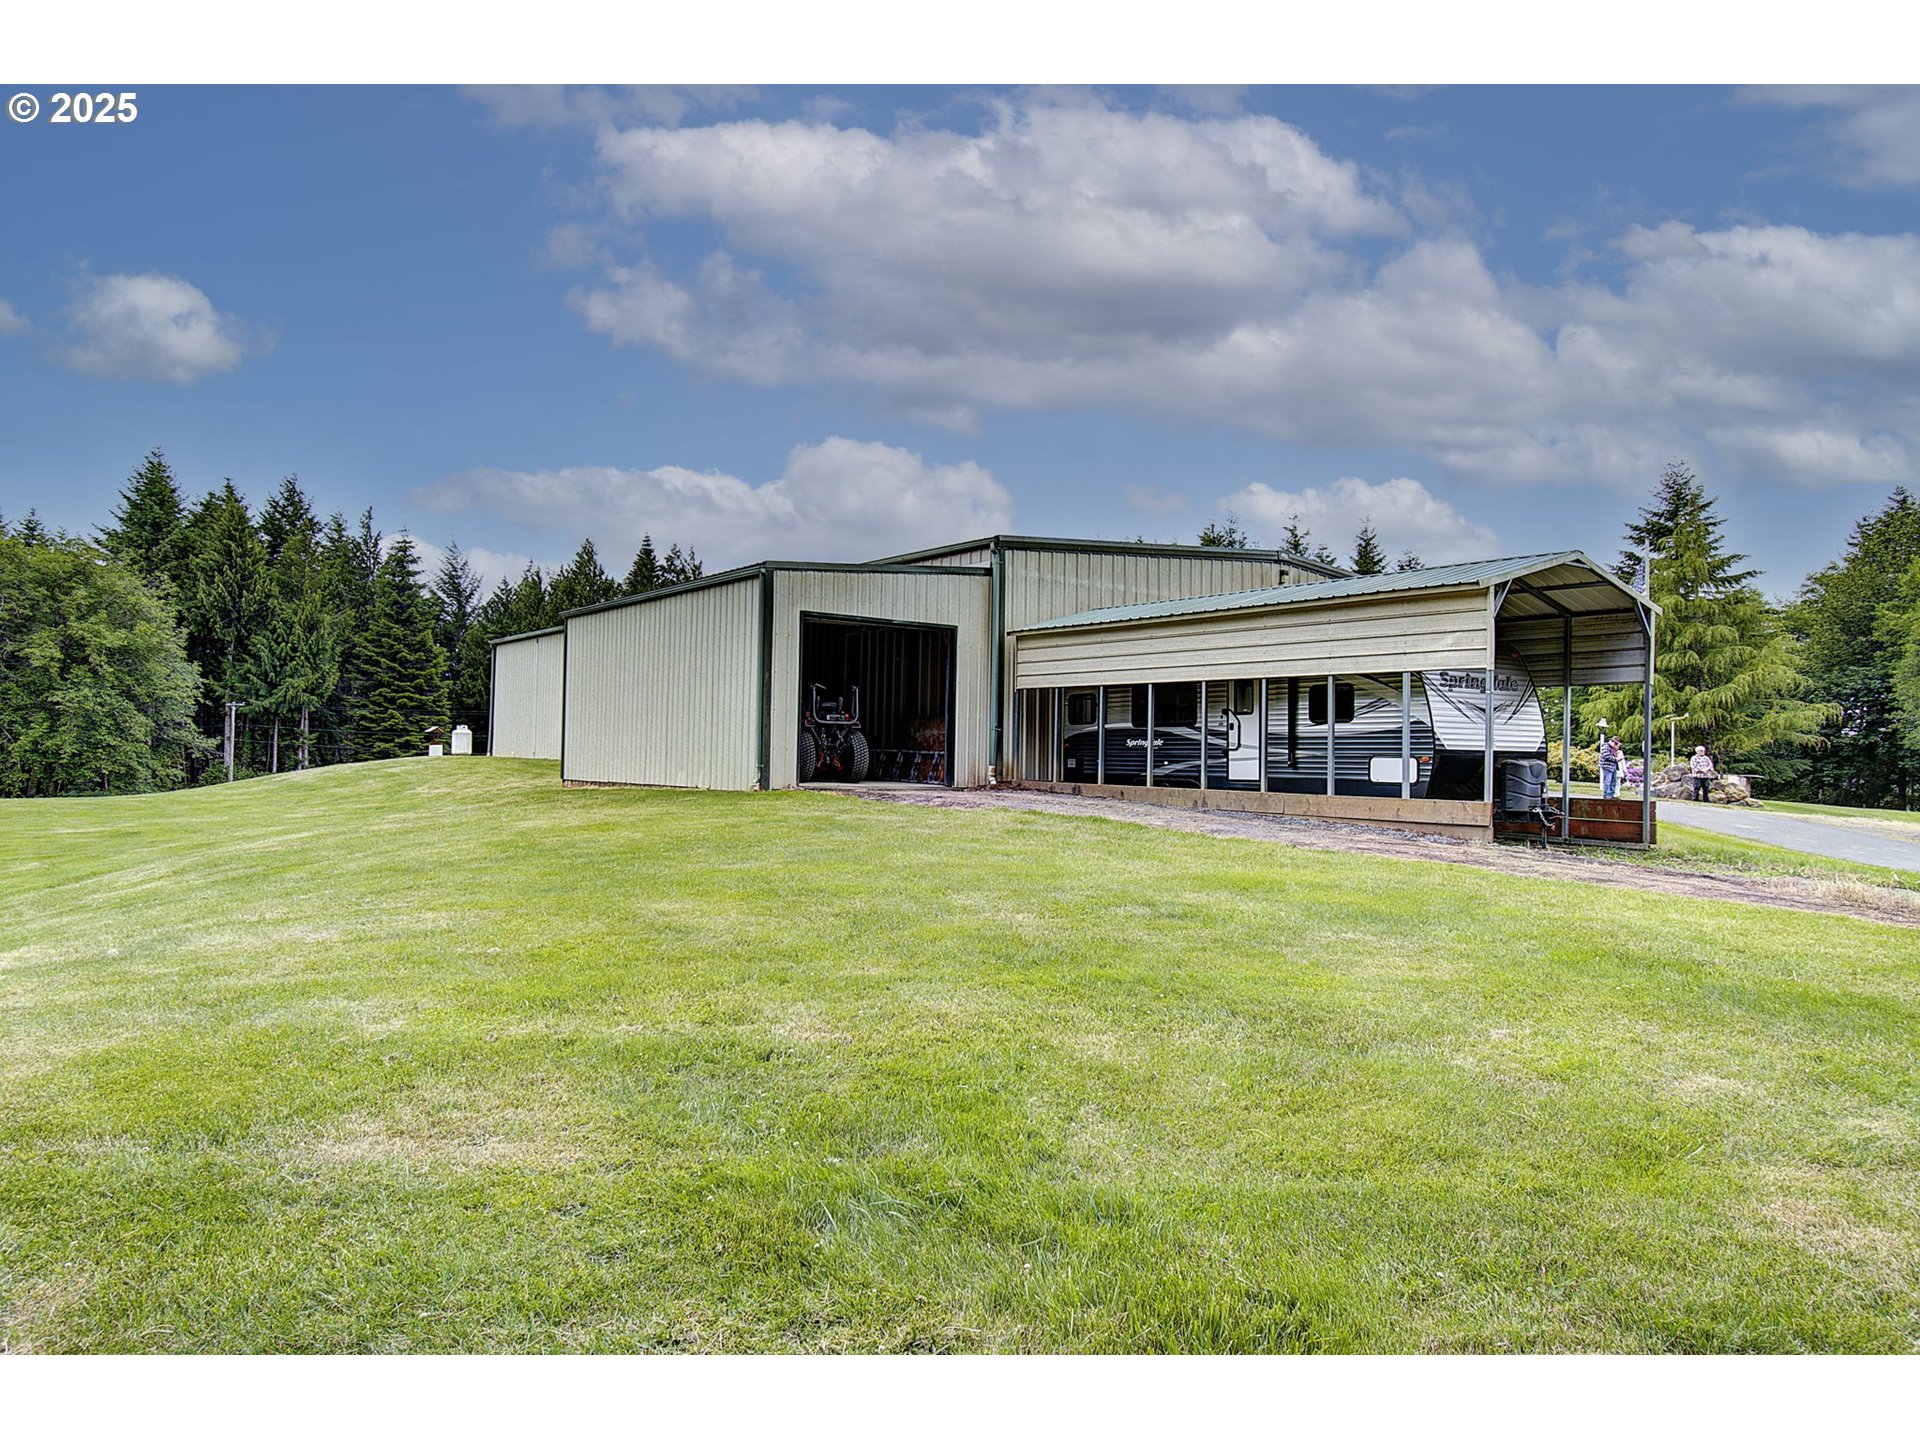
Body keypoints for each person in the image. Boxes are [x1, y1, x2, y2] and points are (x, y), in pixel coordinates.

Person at [1599, 733, 1622, 799]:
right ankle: (1606, 795)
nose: (1616, 745)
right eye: (1616, 744)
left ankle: (1611, 794)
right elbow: (1606, 756)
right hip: (1607, 766)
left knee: (1613, 782)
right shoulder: (1605, 747)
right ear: (1612, 742)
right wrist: (1616, 759)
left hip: (1613, 766)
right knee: (1607, 782)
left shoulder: (1613, 748)